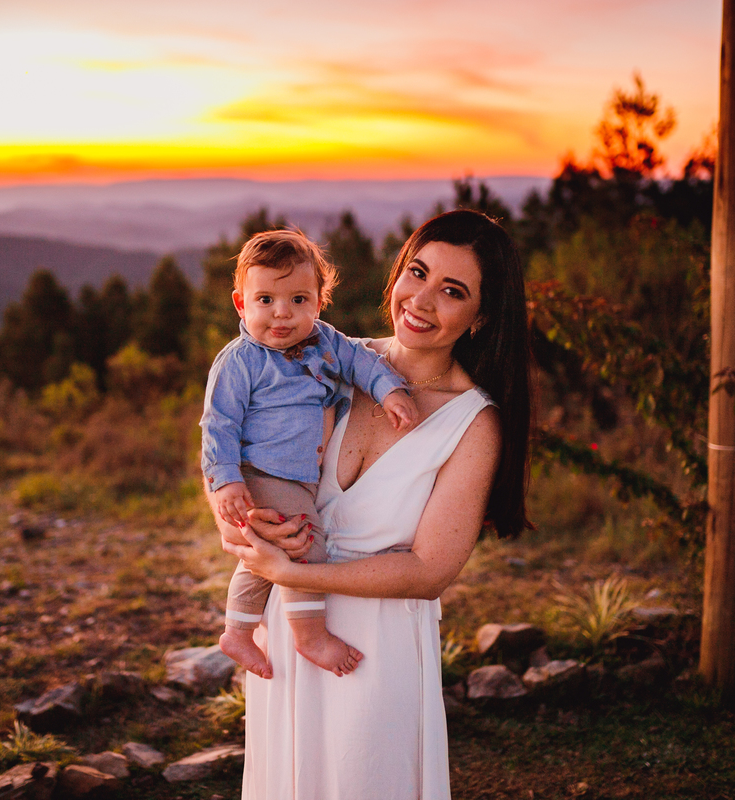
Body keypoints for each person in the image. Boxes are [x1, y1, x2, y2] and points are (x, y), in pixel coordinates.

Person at [212, 209, 532, 800]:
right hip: (285, 636)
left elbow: (430, 570)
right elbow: (236, 443)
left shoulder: (473, 422)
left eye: (452, 291)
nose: (423, 299)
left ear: (480, 316)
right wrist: (235, 528)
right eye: (418, 272)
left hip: (371, 651)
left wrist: (294, 570)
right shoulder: (325, 355)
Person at [202, 229, 420, 680]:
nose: (282, 314)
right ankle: (310, 636)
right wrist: (225, 481)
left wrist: (391, 390)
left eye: (299, 300)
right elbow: (218, 424)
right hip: (261, 473)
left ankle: (237, 632)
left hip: (299, 476)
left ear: (319, 301)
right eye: (266, 301)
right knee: (304, 543)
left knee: (266, 553)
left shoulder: (325, 341)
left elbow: (363, 363)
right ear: (241, 303)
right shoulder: (240, 361)